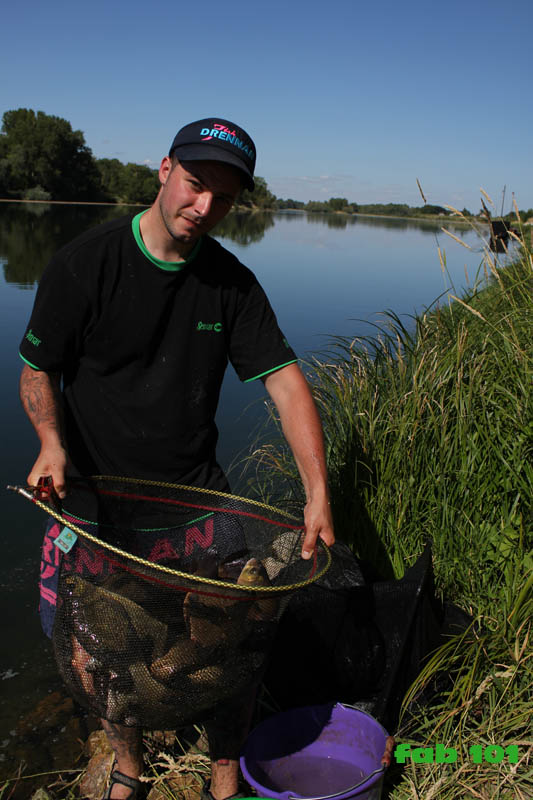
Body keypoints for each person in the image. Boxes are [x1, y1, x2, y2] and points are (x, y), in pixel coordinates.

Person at [19, 117, 335, 800]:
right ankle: (129, 771)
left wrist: (316, 492)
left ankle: (225, 777)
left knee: (230, 650)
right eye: (194, 186)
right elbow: (37, 369)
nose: (204, 209)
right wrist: (51, 444)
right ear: (164, 170)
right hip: (100, 505)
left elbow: (283, 382)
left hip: (196, 499)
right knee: (108, 656)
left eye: (223, 199)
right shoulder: (85, 263)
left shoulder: (232, 284)